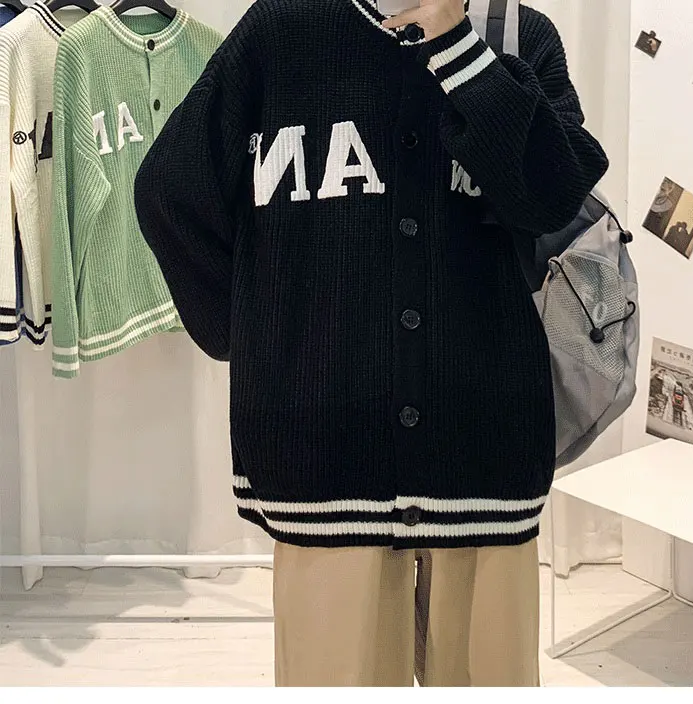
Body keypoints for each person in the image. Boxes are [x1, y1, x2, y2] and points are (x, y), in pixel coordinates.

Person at [134, 0, 608, 687]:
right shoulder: (284, 30)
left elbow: (554, 196)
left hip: (482, 455)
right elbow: (171, 190)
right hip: (327, 460)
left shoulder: (515, 35)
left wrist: (459, 47)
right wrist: (257, 335)